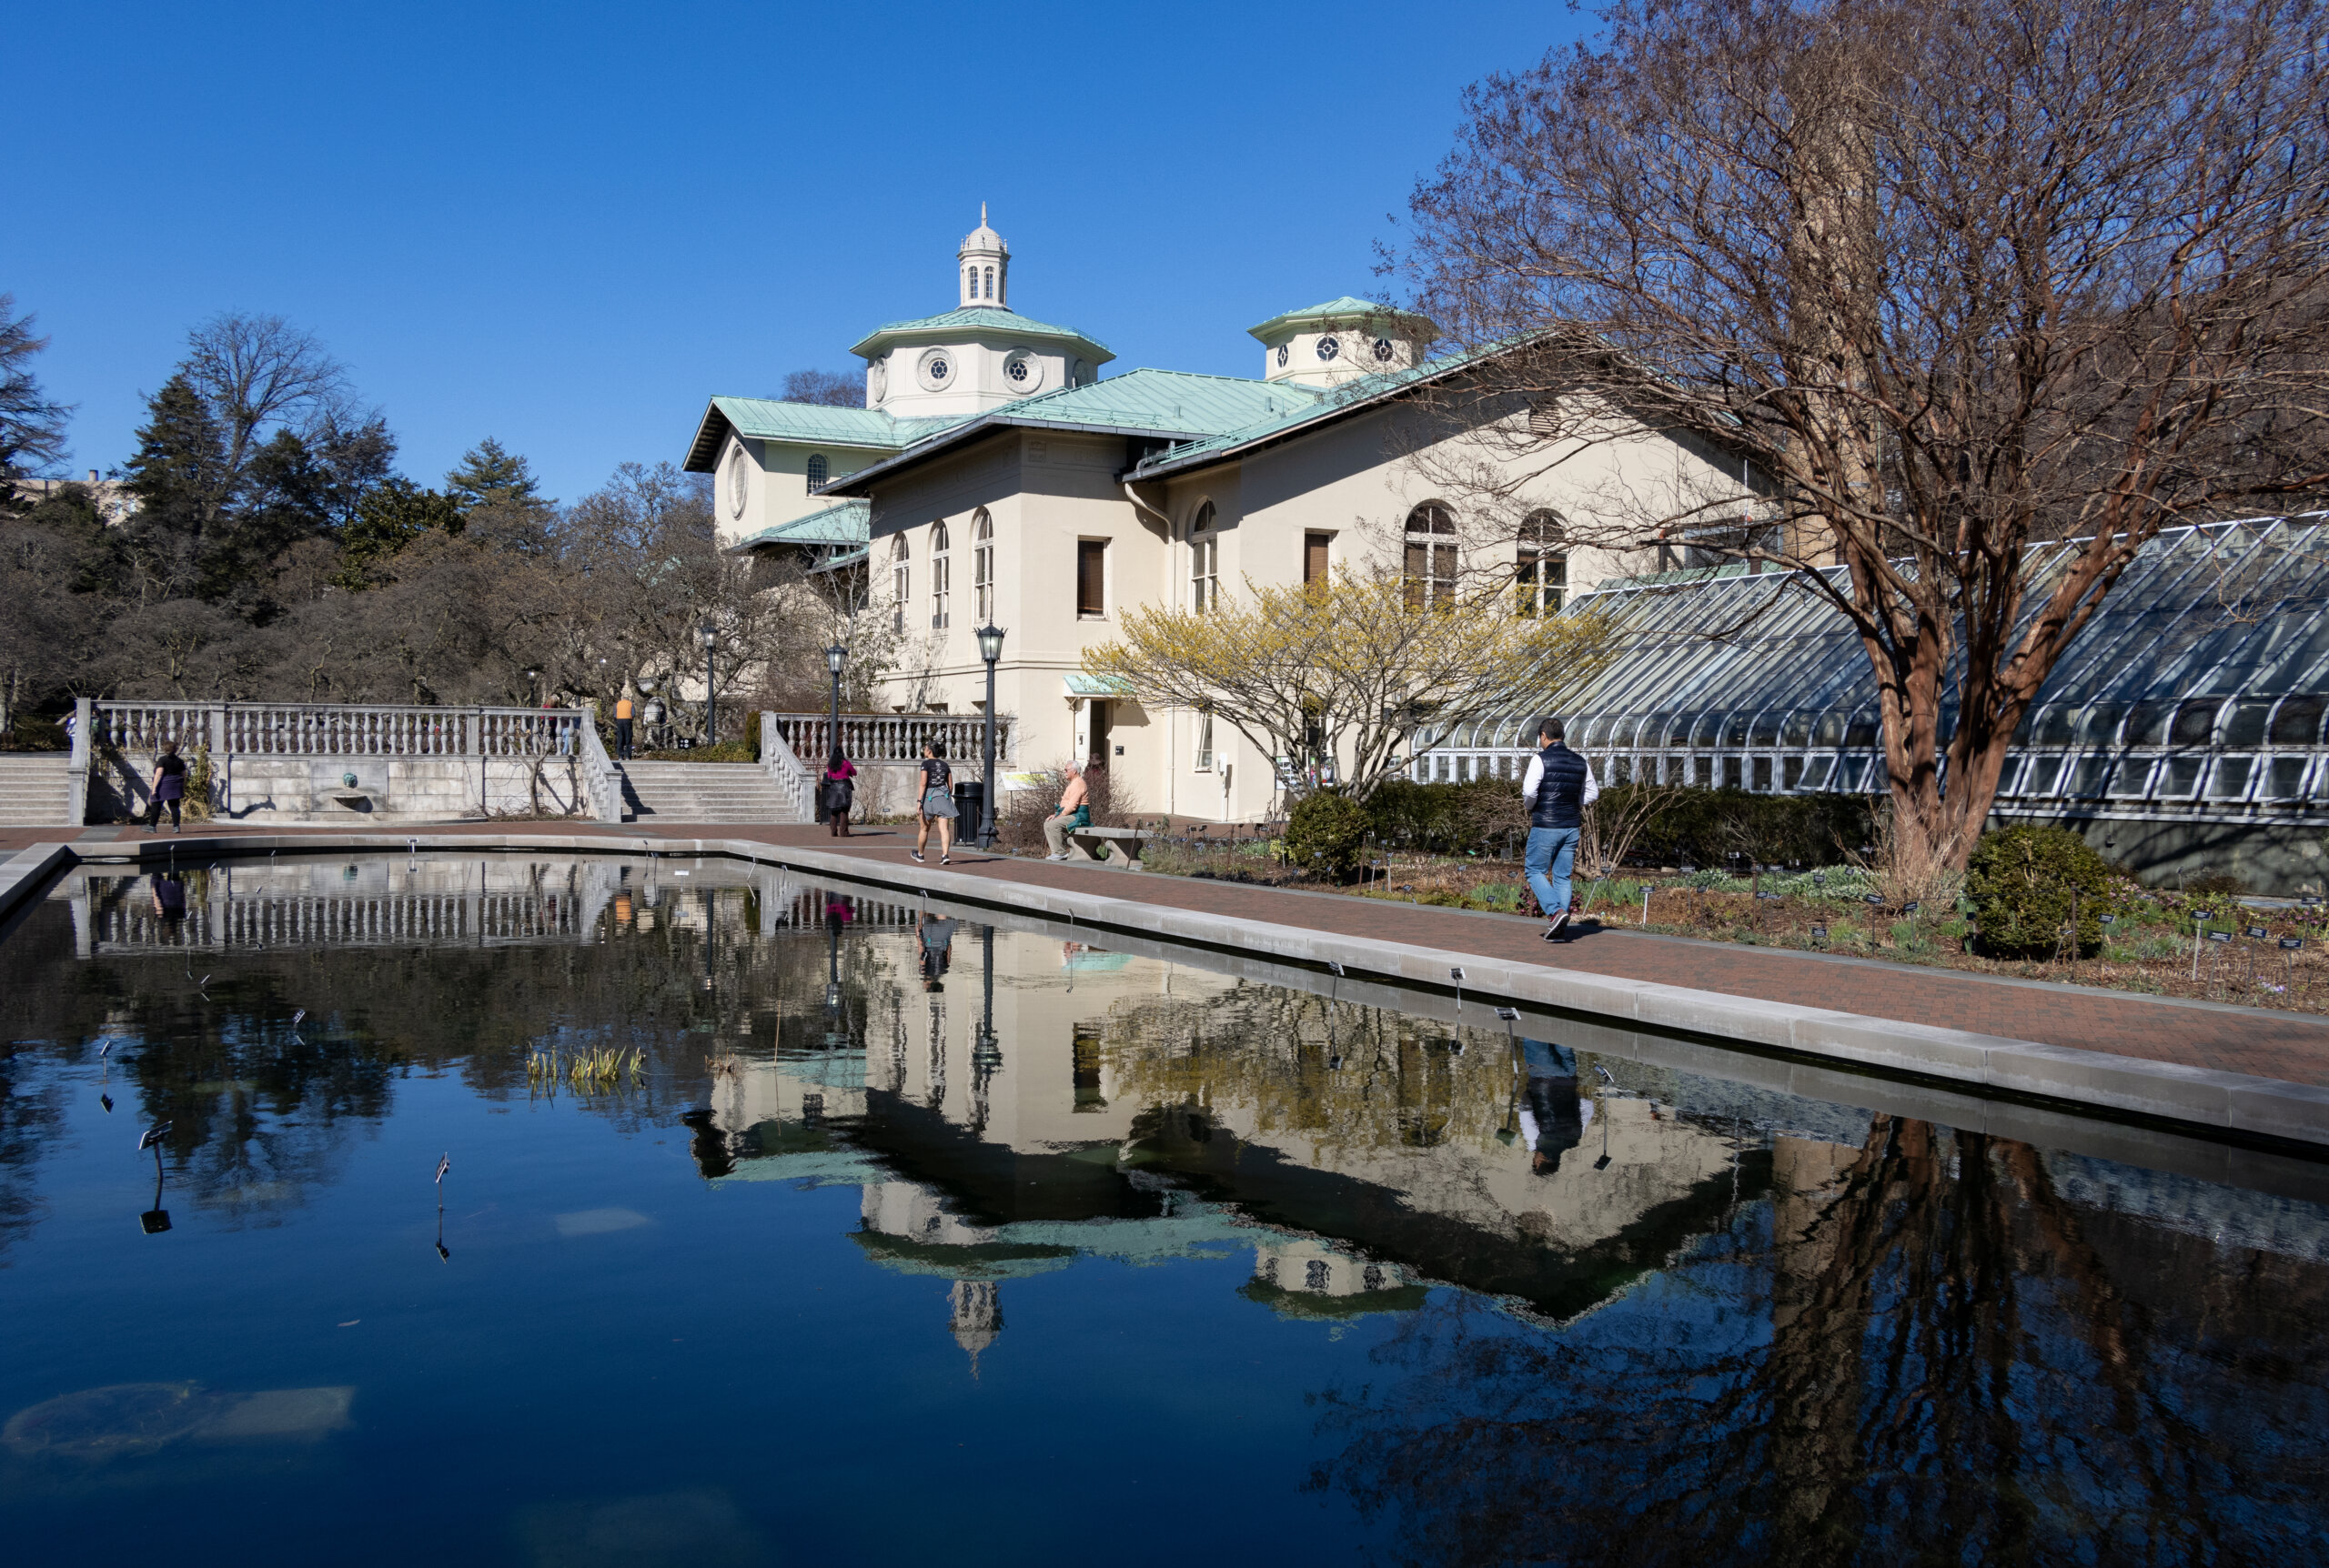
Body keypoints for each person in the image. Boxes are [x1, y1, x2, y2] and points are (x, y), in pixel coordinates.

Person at [1521, 717, 1598, 940]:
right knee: (1562, 876)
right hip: (1571, 825)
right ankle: (1559, 927)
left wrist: (1532, 807)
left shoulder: (1540, 759)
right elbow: (1593, 793)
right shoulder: (1580, 761)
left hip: (1546, 824)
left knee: (1534, 871)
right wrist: (1571, 802)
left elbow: (1529, 792)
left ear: (1543, 736)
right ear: (1562, 735)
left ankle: (1556, 912)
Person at [1517, 1037, 1589, 1176]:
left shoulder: (1574, 1139)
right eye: (1534, 1162)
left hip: (1569, 1076)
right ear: (1538, 1163)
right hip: (1542, 1075)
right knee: (1532, 1033)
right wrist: (1529, 1091)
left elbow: (1587, 1104)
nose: (1533, 1159)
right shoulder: (1535, 1140)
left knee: (1562, 1031)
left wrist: (1569, 1093)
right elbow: (1525, 1108)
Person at [912, 740, 956, 865]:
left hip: (929, 797)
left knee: (924, 828)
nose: (924, 751)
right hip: (943, 795)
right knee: (944, 829)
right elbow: (951, 785)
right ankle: (945, 855)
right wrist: (946, 796)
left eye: (925, 749)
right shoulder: (945, 765)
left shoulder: (925, 764)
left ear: (929, 751)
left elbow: (923, 783)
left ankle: (920, 855)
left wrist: (919, 801)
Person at [1042, 764, 1092, 860]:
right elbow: (1066, 805)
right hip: (1072, 814)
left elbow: (1072, 805)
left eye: (1066, 770)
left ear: (1074, 771)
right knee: (1047, 823)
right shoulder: (1073, 783)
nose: (1064, 772)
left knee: (1053, 824)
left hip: (1079, 816)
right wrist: (1056, 814)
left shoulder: (1078, 784)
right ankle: (1055, 852)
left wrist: (1059, 816)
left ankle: (1060, 853)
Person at [145, 741, 188, 834]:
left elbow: (159, 773)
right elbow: (184, 774)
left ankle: (152, 826)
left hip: (164, 785)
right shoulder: (179, 761)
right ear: (175, 749)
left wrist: (154, 788)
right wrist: (182, 785)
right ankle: (176, 827)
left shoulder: (162, 760)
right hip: (176, 785)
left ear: (165, 749)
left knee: (156, 804)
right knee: (174, 806)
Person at [820, 749, 858, 837]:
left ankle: (833, 832)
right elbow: (854, 772)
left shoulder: (830, 764)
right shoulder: (846, 763)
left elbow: (829, 776)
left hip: (833, 787)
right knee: (844, 810)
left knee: (834, 810)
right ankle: (844, 832)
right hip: (844, 787)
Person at [613, 695, 634, 759]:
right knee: (628, 738)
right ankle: (628, 756)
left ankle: (620, 756)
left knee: (620, 738)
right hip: (627, 721)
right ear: (627, 699)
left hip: (619, 721)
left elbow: (614, 714)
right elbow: (633, 714)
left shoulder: (617, 704)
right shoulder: (630, 704)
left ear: (622, 699)